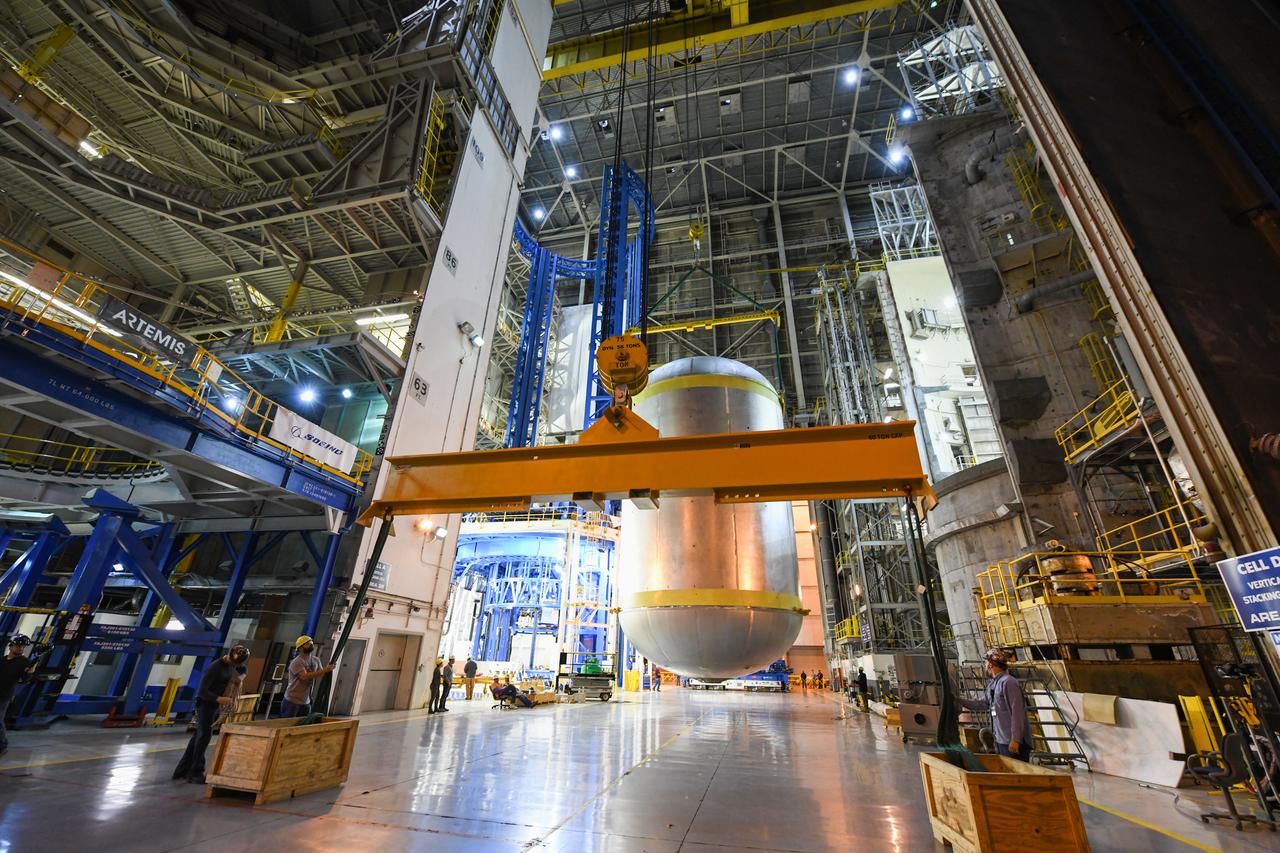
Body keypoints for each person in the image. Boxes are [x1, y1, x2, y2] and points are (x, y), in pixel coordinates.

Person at [173, 644, 249, 783]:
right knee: (204, 736)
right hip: (205, 704)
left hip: (214, 705)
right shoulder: (215, 668)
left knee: (198, 737)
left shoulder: (234, 664)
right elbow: (202, 691)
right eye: (234, 662)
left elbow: (244, 669)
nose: (234, 665)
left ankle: (182, 770)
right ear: (229, 656)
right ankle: (195, 772)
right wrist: (220, 699)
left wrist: (241, 678)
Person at [960, 650, 1030, 762]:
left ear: (990, 664)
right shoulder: (994, 684)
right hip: (1001, 740)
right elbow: (982, 704)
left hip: (1012, 742)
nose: (985, 666)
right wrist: (958, 700)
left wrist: (1016, 739)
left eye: (985, 663)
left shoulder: (1008, 683)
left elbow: (1017, 712)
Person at [0, 634, 37, 755]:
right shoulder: (3, 660)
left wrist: (31, 670)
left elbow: (26, 679)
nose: (21, 648)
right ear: (11, 646)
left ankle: (2, 745)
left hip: (4, 695)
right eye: (19, 645)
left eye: (23, 647)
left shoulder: (25, 662)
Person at [280, 635, 333, 718]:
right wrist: (326, 670)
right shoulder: (297, 662)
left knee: (303, 726)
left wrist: (328, 668)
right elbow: (304, 676)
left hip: (306, 702)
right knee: (288, 725)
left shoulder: (316, 660)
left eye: (311, 643)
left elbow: (321, 674)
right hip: (292, 701)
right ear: (301, 648)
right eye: (307, 644)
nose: (311, 644)